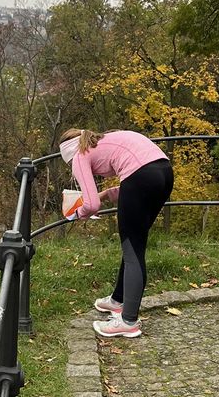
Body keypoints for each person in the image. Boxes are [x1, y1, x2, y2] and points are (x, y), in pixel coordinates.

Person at [59, 127, 174, 339]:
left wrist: (76, 214)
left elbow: (91, 205)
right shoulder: (104, 141)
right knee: (134, 244)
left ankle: (128, 321)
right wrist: (105, 194)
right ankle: (118, 300)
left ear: (68, 153)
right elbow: (141, 176)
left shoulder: (79, 156)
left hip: (141, 177)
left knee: (133, 249)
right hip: (165, 173)